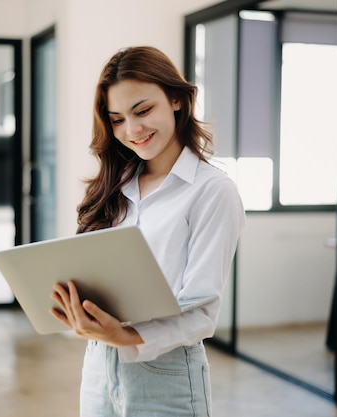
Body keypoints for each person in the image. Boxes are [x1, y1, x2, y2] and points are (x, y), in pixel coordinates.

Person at [50, 46, 245, 417]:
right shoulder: (114, 186)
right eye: (117, 119)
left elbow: (202, 311)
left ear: (176, 99)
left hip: (166, 371)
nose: (132, 129)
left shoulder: (212, 191)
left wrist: (124, 336)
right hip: (98, 364)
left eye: (142, 111)